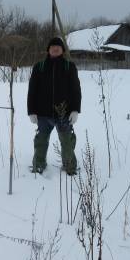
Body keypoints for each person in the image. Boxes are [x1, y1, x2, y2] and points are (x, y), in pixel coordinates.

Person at [27, 36, 81, 175]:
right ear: (48, 50)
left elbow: (76, 90)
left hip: (64, 114)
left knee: (67, 143)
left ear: (62, 50)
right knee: (40, 142)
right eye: (52, 47)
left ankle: (69, 167)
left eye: (58, 47)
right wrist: (31, 111)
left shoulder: (70, 67)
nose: (55, 49)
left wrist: (75, 110)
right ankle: (38, 164)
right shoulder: (39, 67)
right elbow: (32, 90)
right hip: (43, 114)